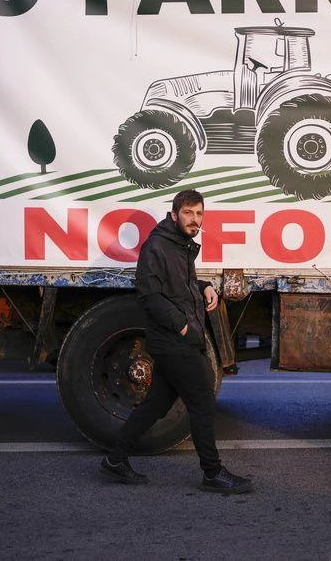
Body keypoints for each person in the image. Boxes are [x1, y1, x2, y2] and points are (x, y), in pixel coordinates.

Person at [98, 189, 252, 494]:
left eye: (199, 214)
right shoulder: (157, 246)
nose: (195, 220)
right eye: (188, 213)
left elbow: (178, 286)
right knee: (202, 402)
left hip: (177, 337)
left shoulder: (180, 245)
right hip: (172, 341)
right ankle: (212, 472)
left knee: (155, 405)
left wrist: (205, 286)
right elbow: (149, 295)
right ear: (174, 214)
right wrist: (181, 325)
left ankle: (115, 459)